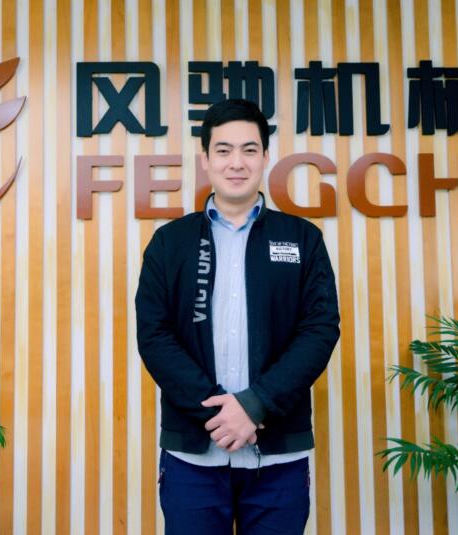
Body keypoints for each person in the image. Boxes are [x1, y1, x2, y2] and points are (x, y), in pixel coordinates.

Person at [135, 98, 340, 534]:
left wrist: (254, 405)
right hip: (193, 455)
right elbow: (154, 335)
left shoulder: (303, 240)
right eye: (223, 150)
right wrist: (219, 413)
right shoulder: (169, 243)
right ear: (205, 159)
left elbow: (319, 330)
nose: (236, 162)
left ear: (265, 157)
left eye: (249, 150)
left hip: (278, 456)